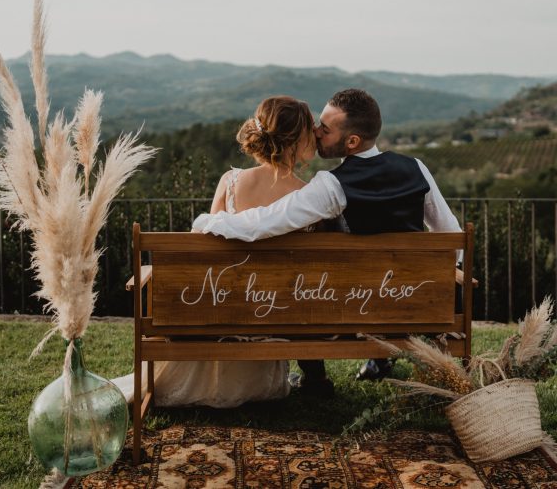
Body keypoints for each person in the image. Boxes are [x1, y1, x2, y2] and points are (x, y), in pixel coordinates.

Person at [192, 88, 462, 396]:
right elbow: (451, 233)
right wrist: (441, 281)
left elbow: (265, 222)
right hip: (419, 302)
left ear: (351, 142)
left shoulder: (331, 186)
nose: (317, 132)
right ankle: (380, 358)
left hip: (358, 305)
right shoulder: (417, 167)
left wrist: (208, 223)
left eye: (325, 128)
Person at [113, 95, 317, 407]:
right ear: (296, 139)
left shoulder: (231, 181)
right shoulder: (306, 196)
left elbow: (202, 252)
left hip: (222, 310)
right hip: (273, 315)